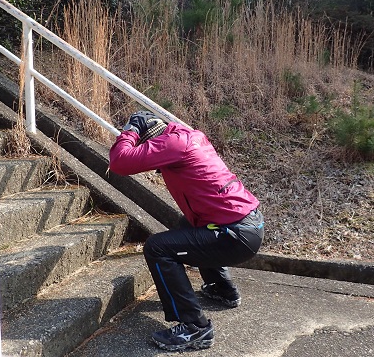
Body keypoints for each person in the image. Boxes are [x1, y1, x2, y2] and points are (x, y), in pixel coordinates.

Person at [108, 111, 264, 351]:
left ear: (153, 141)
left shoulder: (172, 144)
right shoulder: (190, 137)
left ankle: (195, 328)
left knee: (158, 248)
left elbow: (120, 162)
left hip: (235, 234)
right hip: (247, 225)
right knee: (188, 227)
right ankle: (222, 289)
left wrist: (130, 130)